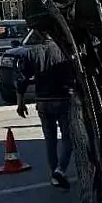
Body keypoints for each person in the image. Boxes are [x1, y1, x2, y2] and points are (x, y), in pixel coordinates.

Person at [15, 31, 75, 189]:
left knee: (50, 140)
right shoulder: (65, 50)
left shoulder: (32, 53)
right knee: (69, 137)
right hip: (63, 99)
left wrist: (20, 102)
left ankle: (54, 173)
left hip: (42, 101)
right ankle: (60, 170)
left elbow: (22, 78)